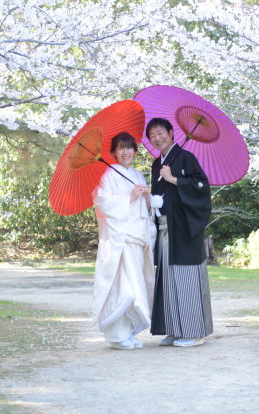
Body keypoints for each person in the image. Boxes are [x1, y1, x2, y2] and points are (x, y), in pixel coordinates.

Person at [147, 117, 213, 347]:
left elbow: (202, 189)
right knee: (168, 279)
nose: (157, 138)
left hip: (184, 229)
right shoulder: (157, 163)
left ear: (171, 133)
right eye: (152, 135)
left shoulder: (186, 158)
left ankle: (194, 332)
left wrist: (174, 179)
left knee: (186, 278)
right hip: (165, 229)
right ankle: (175, 328)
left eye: (160, 132)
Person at [92, 131, 156, 350]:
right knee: (124, 287)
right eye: (121, 148)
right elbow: (101, 202)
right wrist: (128, 198)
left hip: (137, 236)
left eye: (129, 147)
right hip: (121, 238)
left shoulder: (138, 175)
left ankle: (126, 331)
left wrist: (147, 198)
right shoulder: (108, 175)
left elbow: (146, 210)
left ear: (135, 151)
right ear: (113, 152)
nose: (126, 152)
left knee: (136, 283)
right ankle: (116, 335)